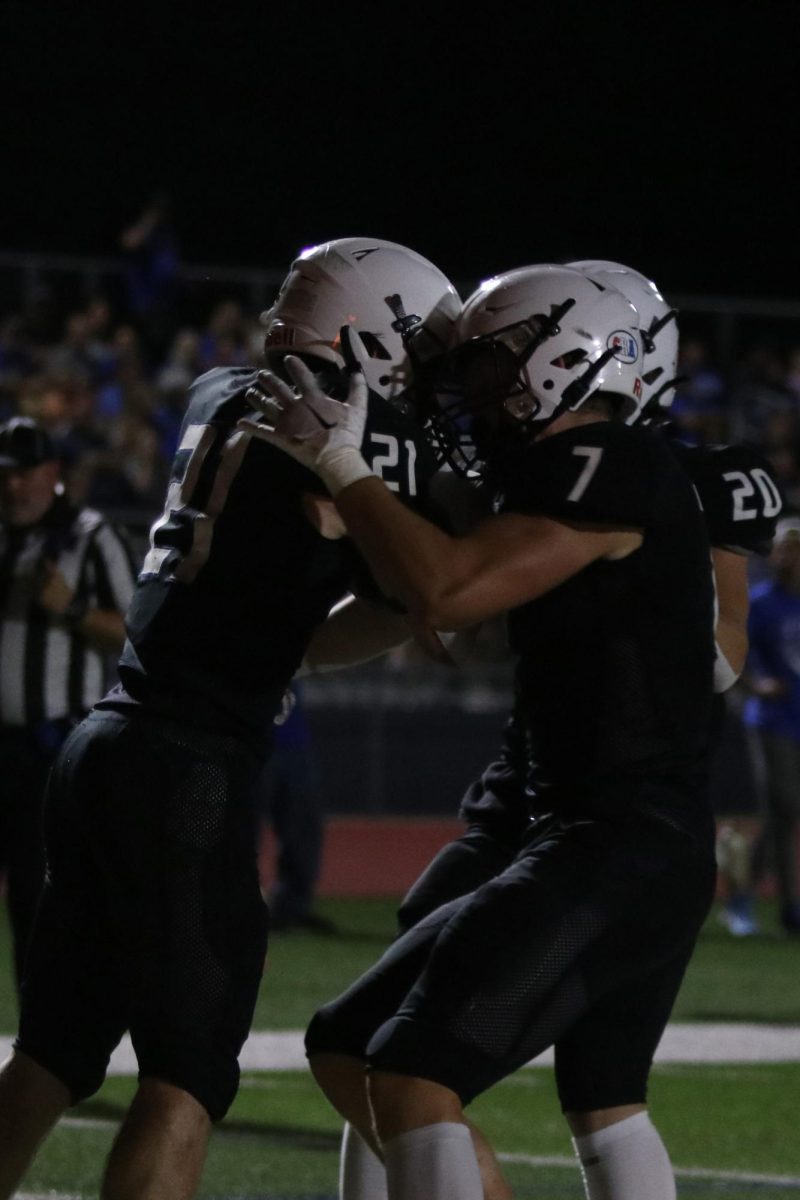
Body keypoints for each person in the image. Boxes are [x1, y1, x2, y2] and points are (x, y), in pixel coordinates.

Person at [0, 237, 462, 1200]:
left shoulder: (222, 388)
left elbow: (328, 607)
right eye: (416, 351)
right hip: (188, 763)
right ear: (367, 336)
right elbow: (435, 589)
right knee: (189, 1072)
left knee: (53, 1049)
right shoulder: (343, 422)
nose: (420, 376)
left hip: (108, 737)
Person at [245, 263, 718, 1200]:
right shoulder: (554, 477)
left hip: (622, 843)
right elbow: (437, 608)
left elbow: (450, 591)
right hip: (594, 835)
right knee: (359, 1046)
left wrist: (345, 464)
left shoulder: (613, 461)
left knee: (415, 1072)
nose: (477, 384)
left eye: (500, 359)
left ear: (585, 352)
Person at [0, 416, 135, 992]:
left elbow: (137, 633)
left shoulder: (91, 535)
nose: (12, 486)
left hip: (51, 744)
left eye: (24, 473)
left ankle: (43, 1057)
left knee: (40, 895)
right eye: (4, 474)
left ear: (52, 473)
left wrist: (72, 608)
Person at [740, 515, 800, 936]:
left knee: (779, 814)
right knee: (788, 805)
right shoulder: (759, 602)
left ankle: (742, 886)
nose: (786, 555)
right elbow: (732, 655)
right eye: (782, 547)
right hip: (773, 720)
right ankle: (789, 907)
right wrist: (756, 684)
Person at [254, 681, 336, 934]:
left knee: (303, 826)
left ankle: (292, 908)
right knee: (240, 830)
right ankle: (238, 908)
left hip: (293, 741)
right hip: (249, 739)